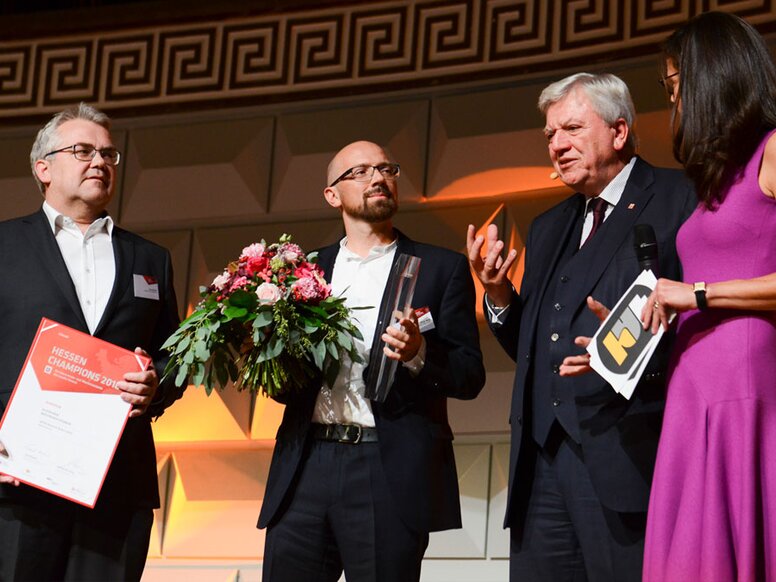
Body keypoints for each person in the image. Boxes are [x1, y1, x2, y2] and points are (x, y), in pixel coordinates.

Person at [467, 73, 695, 581]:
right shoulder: (548, 226)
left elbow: (699, 324)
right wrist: (499, 296)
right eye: (550, 134)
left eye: (571, 128)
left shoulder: (679, 198)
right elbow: (535, 347)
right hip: (540, 465)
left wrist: (626, 348)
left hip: (629, 456)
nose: (557, 145)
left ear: (619, 131)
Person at [257, 140, 485, 581]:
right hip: (305, 464)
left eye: (386, 169)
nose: (378, 178)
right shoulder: (303, 270)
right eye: (359, 172)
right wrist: (263, 356)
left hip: (387, 466)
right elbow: (286, 388)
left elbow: (469, 375)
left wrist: (419, 355)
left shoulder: (440, 268)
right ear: (332, 195)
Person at [0, 103, 182, 580]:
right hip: (17, 479)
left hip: (118, 484)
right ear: (43, 168)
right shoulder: (4, 245)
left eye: (108, 154)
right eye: (82, 150)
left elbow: (175, 355)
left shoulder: (151, 259)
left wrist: (156, 383)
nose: (99, 161)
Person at [641, 12, 776, 581]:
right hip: (692, 381)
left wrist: (696, 293)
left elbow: (706, 287)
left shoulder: (774, 149)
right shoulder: (718, 179)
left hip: (743, 381)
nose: (673, 99)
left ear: (713, 75)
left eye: (676, 83)